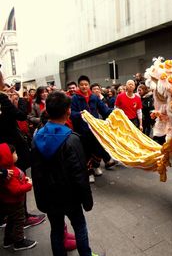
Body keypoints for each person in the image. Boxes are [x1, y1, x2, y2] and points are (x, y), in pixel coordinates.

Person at [31, 91, 102, 256]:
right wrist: (87, 200)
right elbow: (80, 174)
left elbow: (36, 173)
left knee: (56, 230)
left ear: (47, 111)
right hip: (70, 197)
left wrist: (40, 200)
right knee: (79, 226)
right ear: (68, 111)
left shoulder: (36, 138)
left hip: (49, 197)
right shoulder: (72, 139)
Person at [0, 70, 45, 229]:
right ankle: (22, 218)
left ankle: (7, 217)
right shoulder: (2, 99)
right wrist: (18, 99)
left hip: (4, 146)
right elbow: (20, 115)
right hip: (9, 147)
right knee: (18, 177)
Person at [70, 75, 113, 183]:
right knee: (86, 151)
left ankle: (96, 166)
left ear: (89, 85)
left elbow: (104, 109)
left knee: (98, 149)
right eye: (82, 85)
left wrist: (114, 112)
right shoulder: (74, 99)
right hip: (82, 131)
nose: (84, 86)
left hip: (95, 129)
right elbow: (71, 114)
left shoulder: (94, 97)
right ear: (78, 86)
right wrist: (80, 114)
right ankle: (89, 172)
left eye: (86, 84)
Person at [0, 143, 37, 251]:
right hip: (15, 202)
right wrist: (28, 185)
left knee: (11, 220)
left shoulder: (10, 169)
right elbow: (15, 190)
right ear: (7, 157)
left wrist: (24, 179)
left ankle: (9, 239)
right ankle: (19, 242)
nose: (17, 154)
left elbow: (19, 177)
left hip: (14, 202)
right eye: (14, 153)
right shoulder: (8, 175)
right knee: (19, 221)